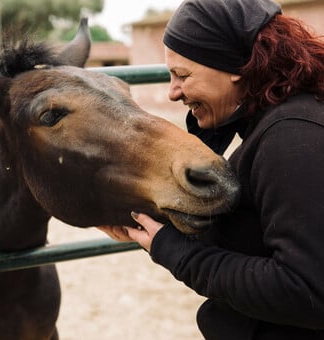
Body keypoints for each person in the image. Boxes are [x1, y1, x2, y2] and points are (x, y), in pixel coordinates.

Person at [98, 0, 324, 338]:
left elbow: (307, 291)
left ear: (236, 66)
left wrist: (178, 254)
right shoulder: (283, 121)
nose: (173, 92)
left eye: (182, 75)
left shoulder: (292, 137)